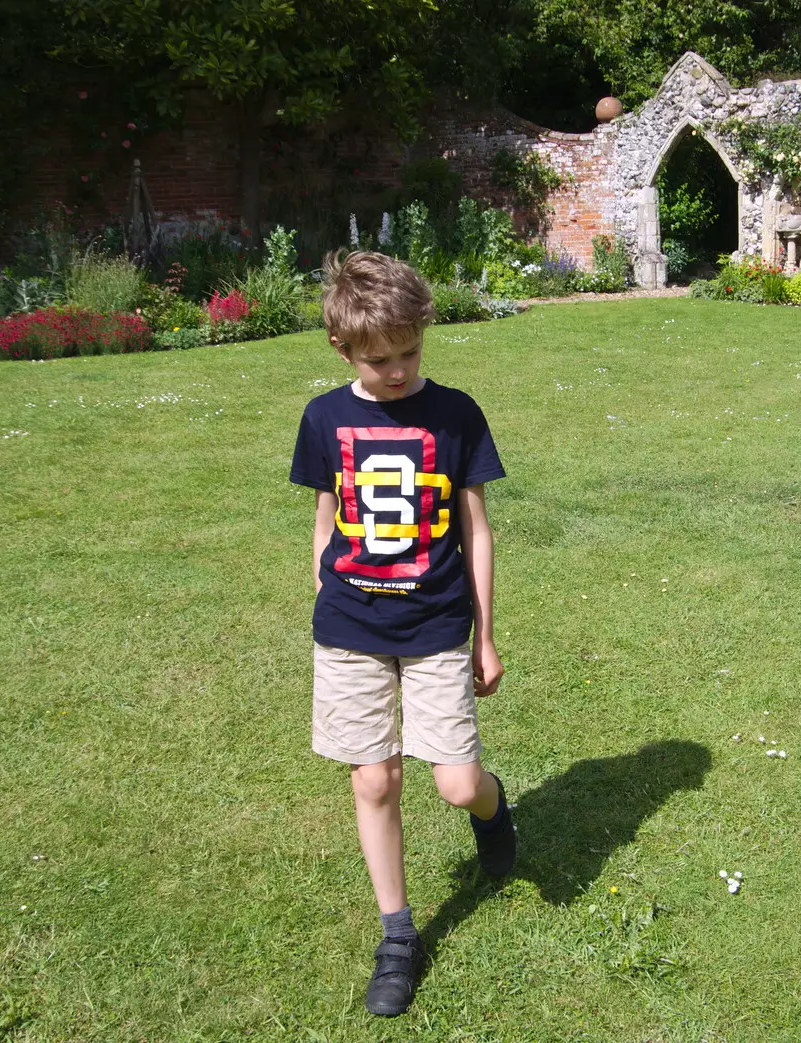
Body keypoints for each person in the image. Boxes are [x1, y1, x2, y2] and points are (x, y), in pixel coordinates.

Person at [289, 251, 514, 1016]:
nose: (396, 370)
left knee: (455, 784)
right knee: (375, 777)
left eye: (410, 351)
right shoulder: (324, 418)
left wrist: (485, 636)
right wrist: (324, 584)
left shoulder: (456, 414)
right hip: (350, 624)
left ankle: (495, 807)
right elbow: (325, 514)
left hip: (438, 624)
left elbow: (477, 530)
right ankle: (397, 934)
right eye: (379, 359)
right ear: (343, 350)